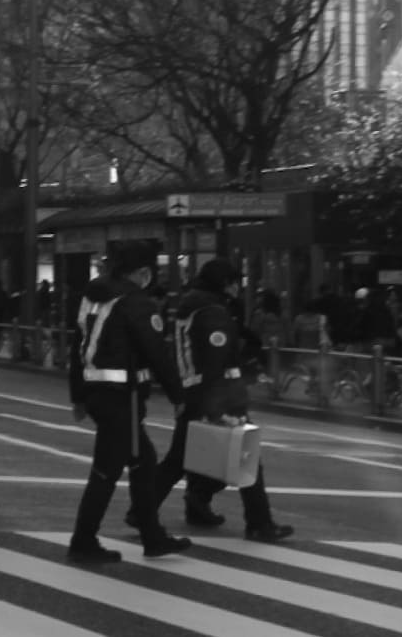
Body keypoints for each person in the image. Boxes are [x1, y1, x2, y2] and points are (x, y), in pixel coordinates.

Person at [150, 259, 294, 543]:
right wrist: (216, 404)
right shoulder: (213, 311)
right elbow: (216, 359)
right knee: (246, 456)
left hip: (194, 391)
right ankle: (259, 523)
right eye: (234, 281)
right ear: (224, 283)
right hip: (218, 394)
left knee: (180, 459)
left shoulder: (188, 306)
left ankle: (160, 507)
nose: (237, 287)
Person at [67, 240, 190, 565]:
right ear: (141, 272)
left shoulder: (93, 297)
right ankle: (83, 539)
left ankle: (153, 536)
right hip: (124, 396)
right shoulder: (136, 302)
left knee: (143, 461)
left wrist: (78, 395)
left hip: (99, 393)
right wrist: (179, 396)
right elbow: (156, 353)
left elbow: (76, 347)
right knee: (106, 470)